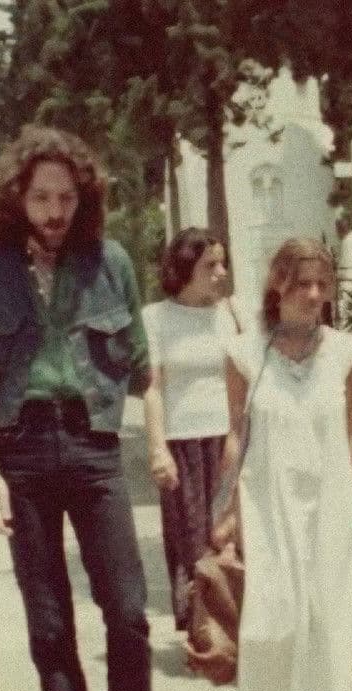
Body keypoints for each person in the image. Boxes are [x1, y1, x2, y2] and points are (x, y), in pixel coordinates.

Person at [0, 125, 152, 691]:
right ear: (16, 197)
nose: (55, 211)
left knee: (128, 613)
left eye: (67, 197)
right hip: (21, 451)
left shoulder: (111, 263)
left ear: (84, 198)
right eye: (41, 197)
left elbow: (144, 368)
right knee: (48, 625)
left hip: (94, 447)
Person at [218, 236, 352, 691]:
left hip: (331, 503)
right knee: (273, 624)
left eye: (321, 284)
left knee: (325, 624)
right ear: (278, 284)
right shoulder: (245, 353)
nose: (314, 295)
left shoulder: (344, 353)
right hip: (268, 504)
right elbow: (236, 433)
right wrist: (224, 509)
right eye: (301, 284)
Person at [141, 227, 244, 632]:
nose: (221, 273)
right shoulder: (156, 318)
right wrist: (157, 448)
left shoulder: (232, 314)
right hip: (182, 444)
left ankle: (236, 629)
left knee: (232, 533)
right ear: (184, 269)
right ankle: (202, 632)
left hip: (229, 440)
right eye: (210, 265)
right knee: (190, 539)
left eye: (223, 263)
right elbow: (152, 388)